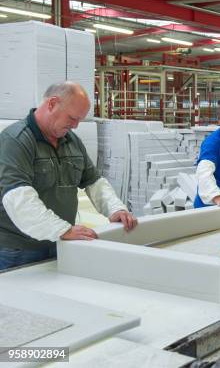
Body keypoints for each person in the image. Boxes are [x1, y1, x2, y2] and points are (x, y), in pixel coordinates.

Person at [0, 81, 137, 271]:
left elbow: (93, 181)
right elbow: (18, 197)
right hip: (20, 249)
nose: (75, 126)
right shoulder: (16, 140)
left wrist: (115, 209)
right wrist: (61, 229)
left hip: (61, 243)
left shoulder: (71, 141)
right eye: (72, 118)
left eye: (79, 120)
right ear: (52, 104)